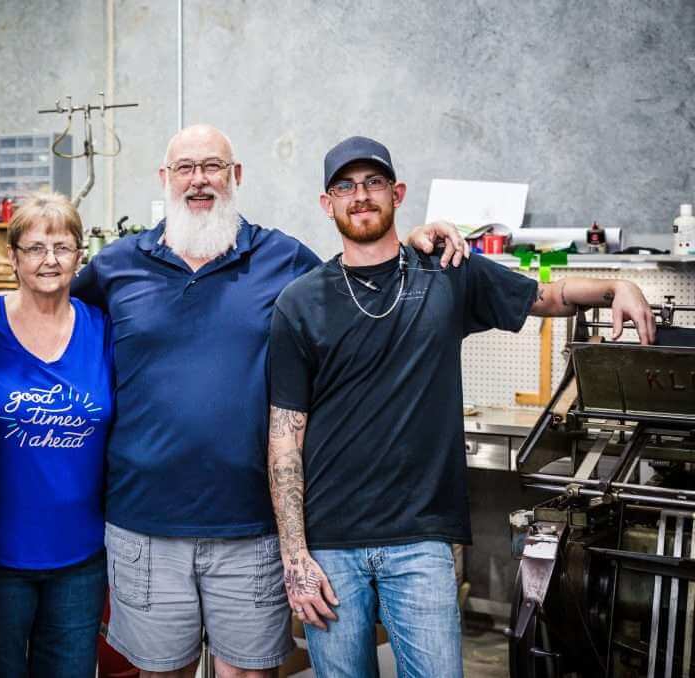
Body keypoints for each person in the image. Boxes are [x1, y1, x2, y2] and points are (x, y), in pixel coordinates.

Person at [70, 124, 470, 678]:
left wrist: (413, 242)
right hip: (145, 524)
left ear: (236, 176)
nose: (199, 179)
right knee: (161, 673)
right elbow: (48, 318)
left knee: (249, 673)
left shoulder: (284, 259)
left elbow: (361, 276)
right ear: (165, 179)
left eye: (213, 166)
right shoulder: (116, 266)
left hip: (253, 526)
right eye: (185, 168)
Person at [267, 135, 656, 677]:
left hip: (423, 542)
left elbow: (546, 296)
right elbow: (285, 434)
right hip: (330, 543)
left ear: (397, 193)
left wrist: (616, 288)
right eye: (345, 186)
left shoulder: (446, 273)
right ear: (326, 202)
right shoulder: (300, 302)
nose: (361, 195)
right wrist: (295, 557)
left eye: (374, 182)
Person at [0, 192, 113, 677]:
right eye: (35, 247)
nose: (50, 260)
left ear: (79, 255)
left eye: (62, 247)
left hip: (81, 558)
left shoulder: (103, 329)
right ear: (13, 256)